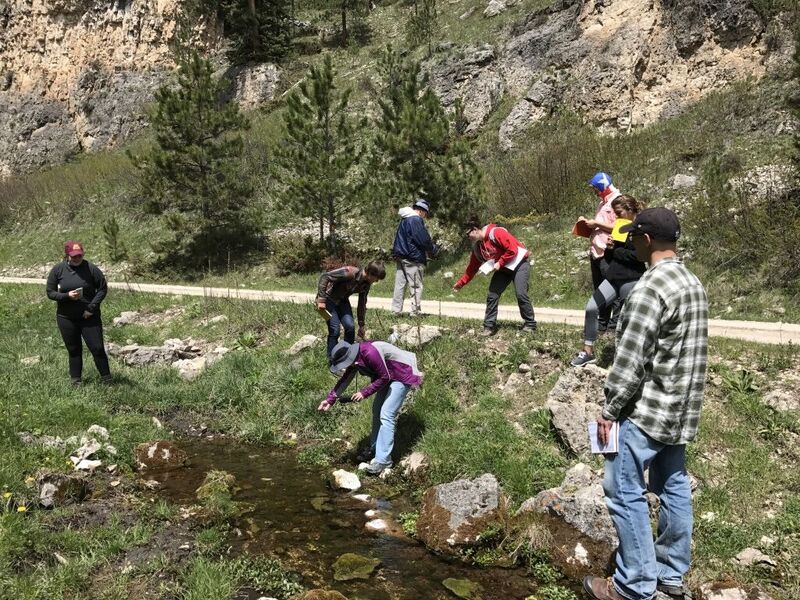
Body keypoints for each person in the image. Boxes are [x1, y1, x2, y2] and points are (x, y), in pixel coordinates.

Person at [583, 208, 708, 600]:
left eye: (634, 237)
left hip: (646, 410)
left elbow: (631, 358)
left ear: (647, 240)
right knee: (673, 486)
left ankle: (633, 584)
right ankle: (670, 577)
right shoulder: (693, 283)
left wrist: (608, 411)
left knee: (622, 489)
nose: (631, 243)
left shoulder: (649, 288)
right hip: (681, 409)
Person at [318, 340, 423, 475]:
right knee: (377, 410)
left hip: (402, 372)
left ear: (348, 358)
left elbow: (384, 377)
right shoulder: (355, 359)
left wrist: (364, 392)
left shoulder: (369, 353)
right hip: (388, 374)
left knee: (387, 413)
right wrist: (330, 399)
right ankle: (375, 449)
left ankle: (384, 460)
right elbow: (345, 379)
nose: (342, 367)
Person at [571, 196, 646, 367]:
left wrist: (617, 251)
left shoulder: (640, 229)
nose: (616, 218)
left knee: (628, 320)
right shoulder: (620, 227)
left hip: (631, 278)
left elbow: (639, 257)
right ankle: (587, 352)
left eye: (619, 213)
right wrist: (610, 249)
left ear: (630, 210)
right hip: (613, 277)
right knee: (591, 307)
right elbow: (611, 257)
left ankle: (629, 358)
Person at [452, 218, 537, 336]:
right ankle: (489, 327)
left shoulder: (496, 233)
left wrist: (500, 262)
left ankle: (530, 324)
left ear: (475, 229)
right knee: (492, 295)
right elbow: (472, 268)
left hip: (519, 264)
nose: (468, 237)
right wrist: (461, 283)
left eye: (468, 234)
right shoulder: (478, 248)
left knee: (521, 294)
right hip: (503, 269)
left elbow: (513, 249)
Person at [46, 241, 112, 386]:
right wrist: (66, 296)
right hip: (66, 317)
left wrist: (91, 308)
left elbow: (102, 289)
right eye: (73, 256)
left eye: (79, 256)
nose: (77, 259)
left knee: (97, 348)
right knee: (74, 349)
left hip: (89, 316)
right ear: (67, 255)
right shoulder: (58, 269)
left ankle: (107, 380)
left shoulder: (91, 268)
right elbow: (50, 293)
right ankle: (76, 381)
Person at [578, 172, 622, 332]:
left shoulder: (618, 201)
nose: (594, 192)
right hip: (596, 252)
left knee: (612, 289)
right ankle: (602, 323)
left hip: (608, 253)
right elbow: (602, 225)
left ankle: (614, 326)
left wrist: (596, 223)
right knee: (600, 290)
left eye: (595, 189)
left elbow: (620, 227)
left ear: (602, 187)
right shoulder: (602, 203)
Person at [316, 261, 386, 361]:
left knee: (350, 327)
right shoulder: (349, 272)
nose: (377, 281)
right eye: (377, 278)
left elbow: (362, 303)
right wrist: (321, 300)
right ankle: (331, 361)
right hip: (328, 299)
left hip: (342, 301)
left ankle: (346, 357)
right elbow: (325, 277)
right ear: (370, 273)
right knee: (335, 331)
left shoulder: (366, 284)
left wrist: (361, 325)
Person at [391, 199, 439, 317]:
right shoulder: (415, 219)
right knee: (416, 286)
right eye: (425, 213)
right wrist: (433, 249)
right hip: (413, 257)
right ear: (422, 211)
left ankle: (396, 311)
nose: (424, 216)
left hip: (401, 256)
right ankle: (415, 312)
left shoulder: (405, 219)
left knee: (400, 285)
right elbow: (422, 239)